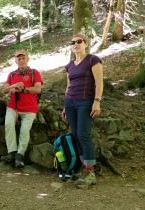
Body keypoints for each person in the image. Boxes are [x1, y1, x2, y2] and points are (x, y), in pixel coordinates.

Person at [62, 34, 103, 187]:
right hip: (70, 103)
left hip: (85, 102)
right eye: (73, 42)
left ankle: (90, 172)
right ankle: (83, 168)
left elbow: (99, 82)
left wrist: (97, 101)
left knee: (83, 135)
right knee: (75, 135)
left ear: (85, 43)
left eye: (79, 41)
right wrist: (64, 106)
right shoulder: (70, 65)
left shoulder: (93, 60)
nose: (76, 44)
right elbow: (68, 86)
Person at [0, 49, 43, 168]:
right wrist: (13, 86)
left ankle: (20, 155)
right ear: (16, 61)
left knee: (24, 131)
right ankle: (12, 153)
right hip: (13, 107)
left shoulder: (34, 73)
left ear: (28, 59)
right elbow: (4, 89)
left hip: (29, 108)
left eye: (23, 58)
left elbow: (38, 89)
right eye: (19, 59)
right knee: (8, 124)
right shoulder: (12, 74)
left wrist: (24, 89)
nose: (21, 60)